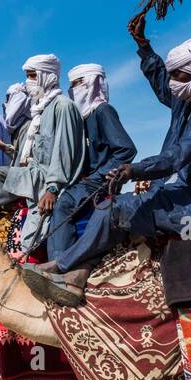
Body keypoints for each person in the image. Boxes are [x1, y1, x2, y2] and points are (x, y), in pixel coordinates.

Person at [24, 19, 191, 306]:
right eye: (171, 75)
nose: (172, 82)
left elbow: (178, 155)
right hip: (181, 188)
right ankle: (77, 275)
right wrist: (144, 46)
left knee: (116, 210)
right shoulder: (187, 94)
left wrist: (134, 170)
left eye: (177, 75)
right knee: (110, 210)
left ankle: (60, 265)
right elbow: (160, 83)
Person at [0, 54, 87, 251]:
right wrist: (4, 148)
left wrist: (52, 189)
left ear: (47, 76)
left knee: (29, 242)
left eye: (32, 76)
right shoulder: (40, 111)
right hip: (30, 174)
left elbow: (63, 153)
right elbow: (34, 152)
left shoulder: (62, 107)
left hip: (46, 180)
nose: (28, 82)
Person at [44, 63, 137, 267]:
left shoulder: (103, 111)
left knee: (65, 202)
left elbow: (126, 150)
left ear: (92, 83)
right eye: (71, 85)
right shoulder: (84, 117)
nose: (73, 89)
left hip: (100, 180)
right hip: (86, 179)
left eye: (78, 83)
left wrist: (98, 174)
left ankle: (58, 263)